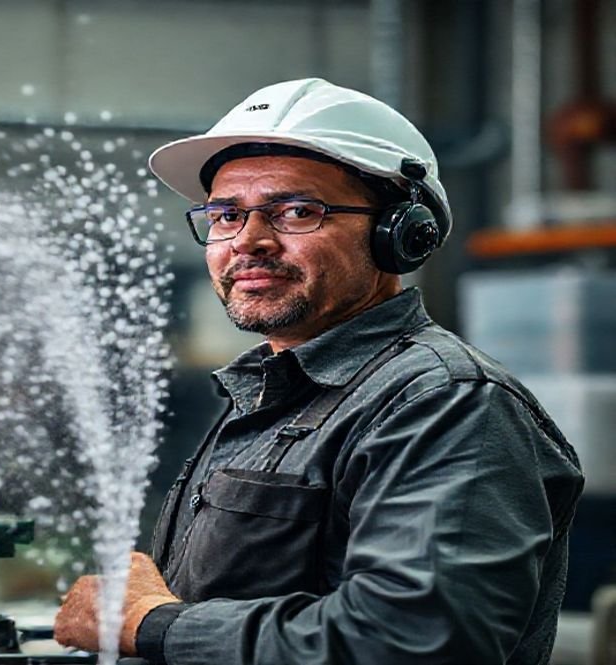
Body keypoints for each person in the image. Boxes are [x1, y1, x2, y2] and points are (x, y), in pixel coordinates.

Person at [53, 78, 585, 664]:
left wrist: (150, 624)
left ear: (401, 235)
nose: (248, 241)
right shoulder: (267, 395)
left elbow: (415, 643)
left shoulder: (447, 403)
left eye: (296, 211)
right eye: (226, 215)